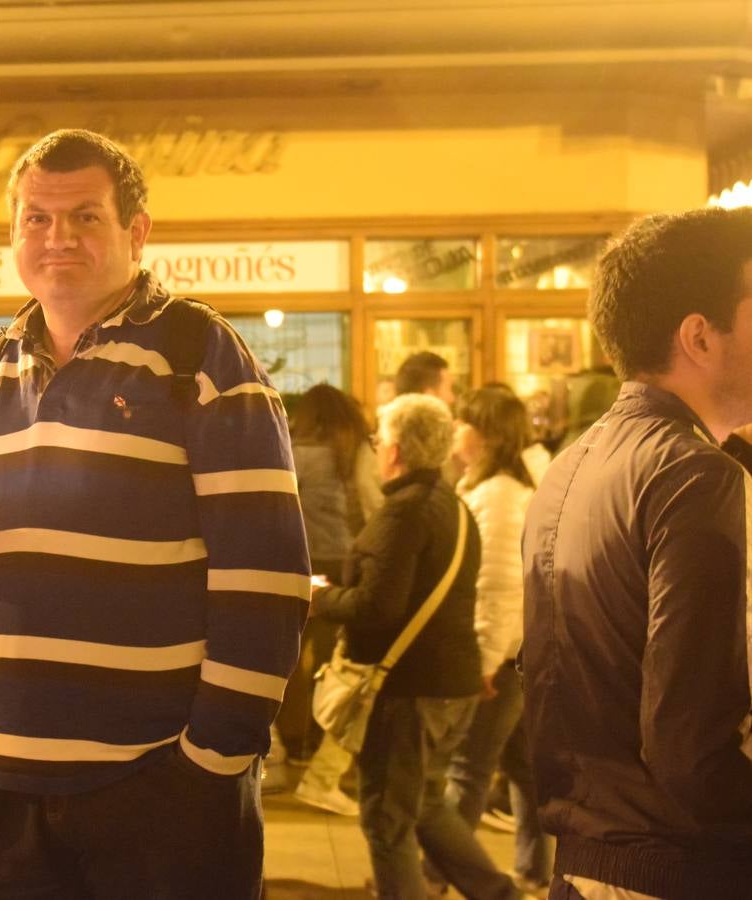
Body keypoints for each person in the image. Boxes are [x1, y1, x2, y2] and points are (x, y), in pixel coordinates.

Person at [0, 129, 308, 898]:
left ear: (137, 232)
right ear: (12, 235)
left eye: (84, 217)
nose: (56, 237)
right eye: (35, 219)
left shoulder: (200, 356)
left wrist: (211, 759)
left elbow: (267, 575)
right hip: (8, 780)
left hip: (159, 782)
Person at [521, 208, 752, 898]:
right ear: (700, 335)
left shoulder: (573, 463)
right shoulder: (693, 475)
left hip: (589, 856)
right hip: (673, 866)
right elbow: (689, 738)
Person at [309, 393, 516, 900]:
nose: (377, 449)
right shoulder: (456, 506)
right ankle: (498, 893)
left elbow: (376, 608)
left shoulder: (402, 513)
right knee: (424, 805)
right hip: (453, 686)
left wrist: (318, 597)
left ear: (396, 451)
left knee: (387, 822)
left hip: (410, 693)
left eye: (379, 441)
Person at [442, 387, 551, 895]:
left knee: (467, 770)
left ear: (483, 435)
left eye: (462, 424)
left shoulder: (501, 495)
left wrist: (483, 662)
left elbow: (500, 589)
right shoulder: (494, 487)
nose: (454, 432)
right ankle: (534, 866)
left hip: (502, 658)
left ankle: (439, 872)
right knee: (522, 765)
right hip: (519, 654)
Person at [278, 384, 382, 815]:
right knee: (333, 659)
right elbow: (375, 504)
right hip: (342, 563)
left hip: (293, 562)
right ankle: (323, 742)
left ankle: (292, 742)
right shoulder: (352, 450)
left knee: (290, 658)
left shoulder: (285, 444)